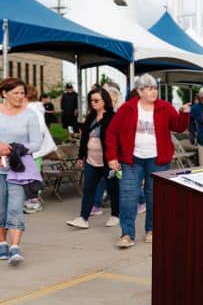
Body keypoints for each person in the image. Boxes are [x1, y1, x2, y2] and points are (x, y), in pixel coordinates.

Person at [105, 74, 190, 248]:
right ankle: (127, 234)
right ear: (139, 91)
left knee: (155, 196)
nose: (154, 91)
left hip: (158, 160)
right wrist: (112, 156)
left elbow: (178, 127)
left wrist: (183, 114)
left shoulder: (164, 107)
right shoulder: (127, 108)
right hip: (131, 160)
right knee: (128, 195)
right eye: (149, 88)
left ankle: (152, 229)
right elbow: (111, 133)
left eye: (155, 88)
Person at [0, 78, 42, 266]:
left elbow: (36, 143)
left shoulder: (30, 114)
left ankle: (14, 247)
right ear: (4, 94)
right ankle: (2, 243)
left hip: (19, 168)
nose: (20, 96)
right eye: (16, 93)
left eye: (22, 93)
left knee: (15, 207)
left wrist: (14, 148)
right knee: (0, 208)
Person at [66, 88, 119, 230]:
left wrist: (117, 159)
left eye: (96, 100)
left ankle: (115, 215)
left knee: (113, 188)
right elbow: (84, 138)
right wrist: (81, 156)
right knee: (88, 188)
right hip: (91, 160)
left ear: (104, 101)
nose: (93, 103)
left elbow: (117, 139)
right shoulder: (90, 118)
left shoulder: (113, 117)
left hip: (108, 162)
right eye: (91, 101)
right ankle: (83, 218)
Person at [22, 86, 56, 214]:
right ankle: (32, 200)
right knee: (32, 174)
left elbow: (39, 128)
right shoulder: (35, 108)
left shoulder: (32, 109)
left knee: (32, 175)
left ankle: (34, 202)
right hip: (34, 149)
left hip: (33, 149)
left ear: (26, 96)